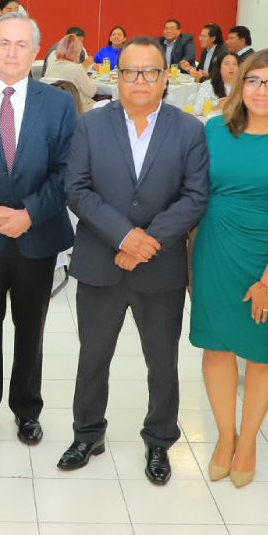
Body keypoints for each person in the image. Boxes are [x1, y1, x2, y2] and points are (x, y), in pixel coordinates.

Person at [57, 36, 209, 483]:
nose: (139, 80)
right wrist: (124, 236)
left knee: (162, 361)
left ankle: (160, 440)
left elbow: (195, 196)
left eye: (149, 72)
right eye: (129, 72)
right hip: (100, 262)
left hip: (159, 267)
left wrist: (146, 241)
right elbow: (77, 189)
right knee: (93, 356)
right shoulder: (90, 125)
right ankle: (87, 434)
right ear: (116, 77)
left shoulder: (189, 130)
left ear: (165, 77)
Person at [190, 49, 268, 487]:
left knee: (262, 352)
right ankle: (226, 437)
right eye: (253, 81)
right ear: (239, 84)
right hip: (215, 248)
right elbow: (194, 195)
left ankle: (248, 441)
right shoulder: (214, 131)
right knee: (218, 346)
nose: (262, 91)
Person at [0, 12, 76, 445]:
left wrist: (28, 214)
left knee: (31, 326)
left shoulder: (58, 103)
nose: (11, 52)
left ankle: (27, 408)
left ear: (36, 52)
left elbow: (66, 171)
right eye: (4, 43)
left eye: (21, 44)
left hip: (36, 235)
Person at [43, 34, 96, 112]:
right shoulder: (76, 69)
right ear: (76, 51)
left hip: (56, 108)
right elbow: (91, 92)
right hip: (80, 108)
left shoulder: (50, 67)